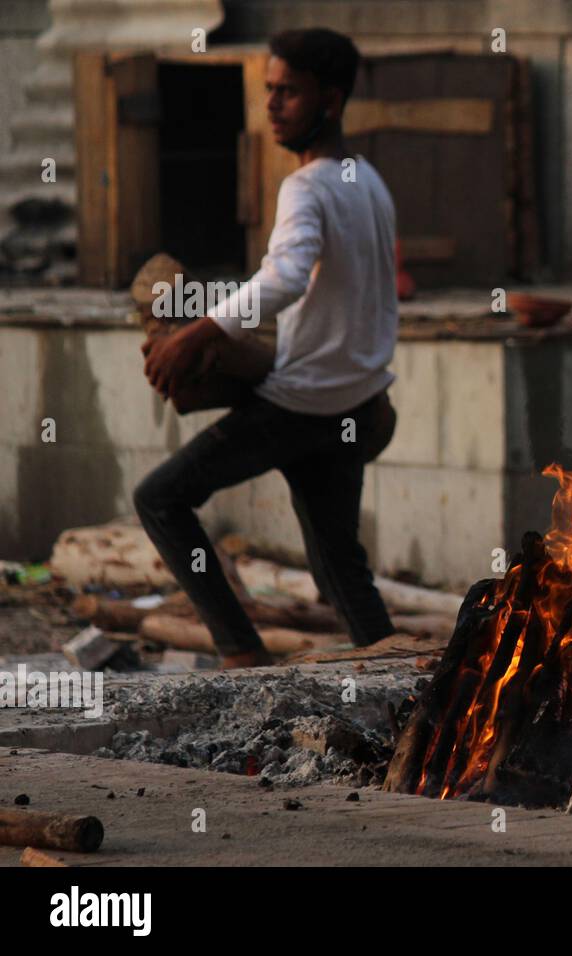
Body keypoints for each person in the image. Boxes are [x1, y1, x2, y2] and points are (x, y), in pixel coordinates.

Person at [135, 28, 400, 669]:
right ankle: (405, 673)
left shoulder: (305, 187)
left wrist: (197, 332)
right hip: (360, 404)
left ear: (330, 100)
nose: (272, 105)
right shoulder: (367, 180)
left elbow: (282, 279)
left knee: (160, 498)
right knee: (339, 562)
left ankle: (240, 655)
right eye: (269, 91)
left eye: (287, 92)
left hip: (302, 410)